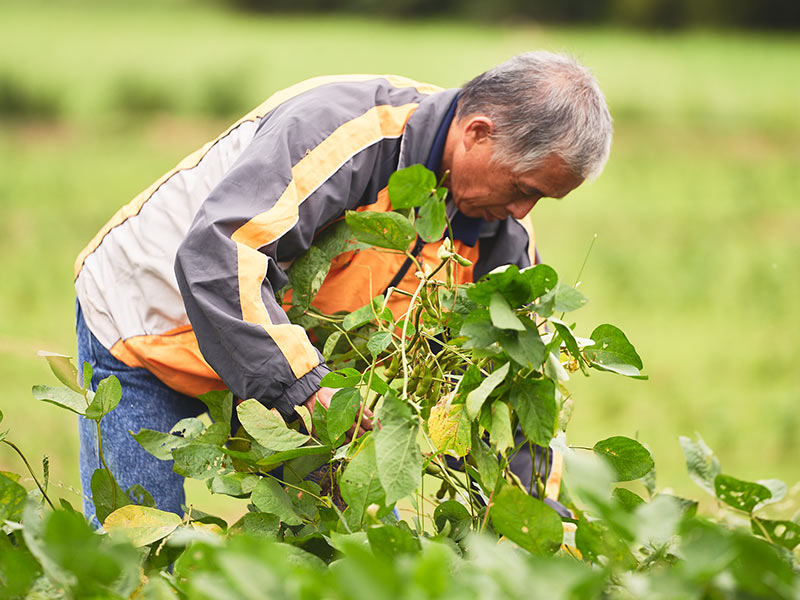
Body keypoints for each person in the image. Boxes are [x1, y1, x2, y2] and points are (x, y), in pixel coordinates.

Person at [74, 51, 612, 521]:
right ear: (477, 133)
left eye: (540, 199)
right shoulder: (347, 132)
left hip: (290, 364)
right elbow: (221, 255)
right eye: (523, 187)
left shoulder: (502, 228)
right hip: (151, 330)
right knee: (137, 562)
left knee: (359, 553)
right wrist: (306, 389)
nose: (522, 210)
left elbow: (514, 386)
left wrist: (537, 523)